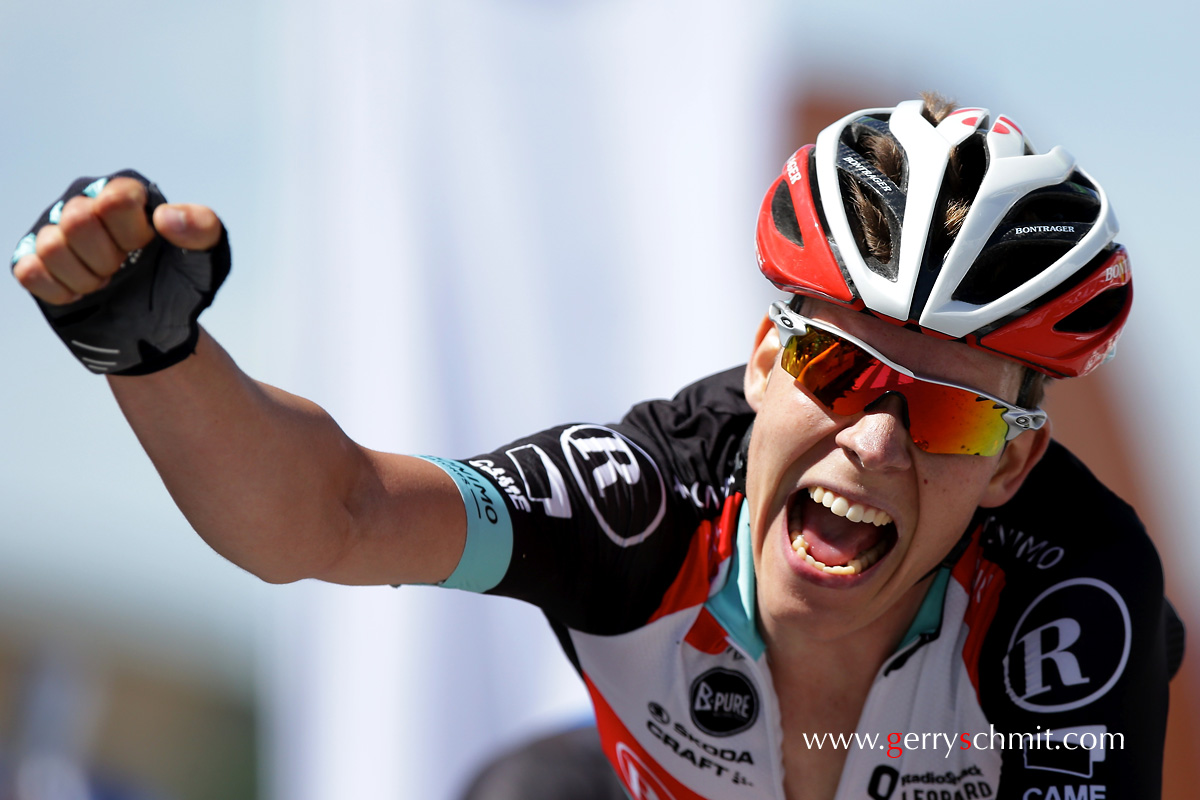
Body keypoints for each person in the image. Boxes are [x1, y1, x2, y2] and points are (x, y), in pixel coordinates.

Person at [11, 94, 1183, 799]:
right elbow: (342, 511)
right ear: (765, 359)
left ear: (1014, 463)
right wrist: (160, 358)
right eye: (837, 367)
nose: (873, 440)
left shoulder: (1072, 600)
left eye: (947, 413)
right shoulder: (654, 498)